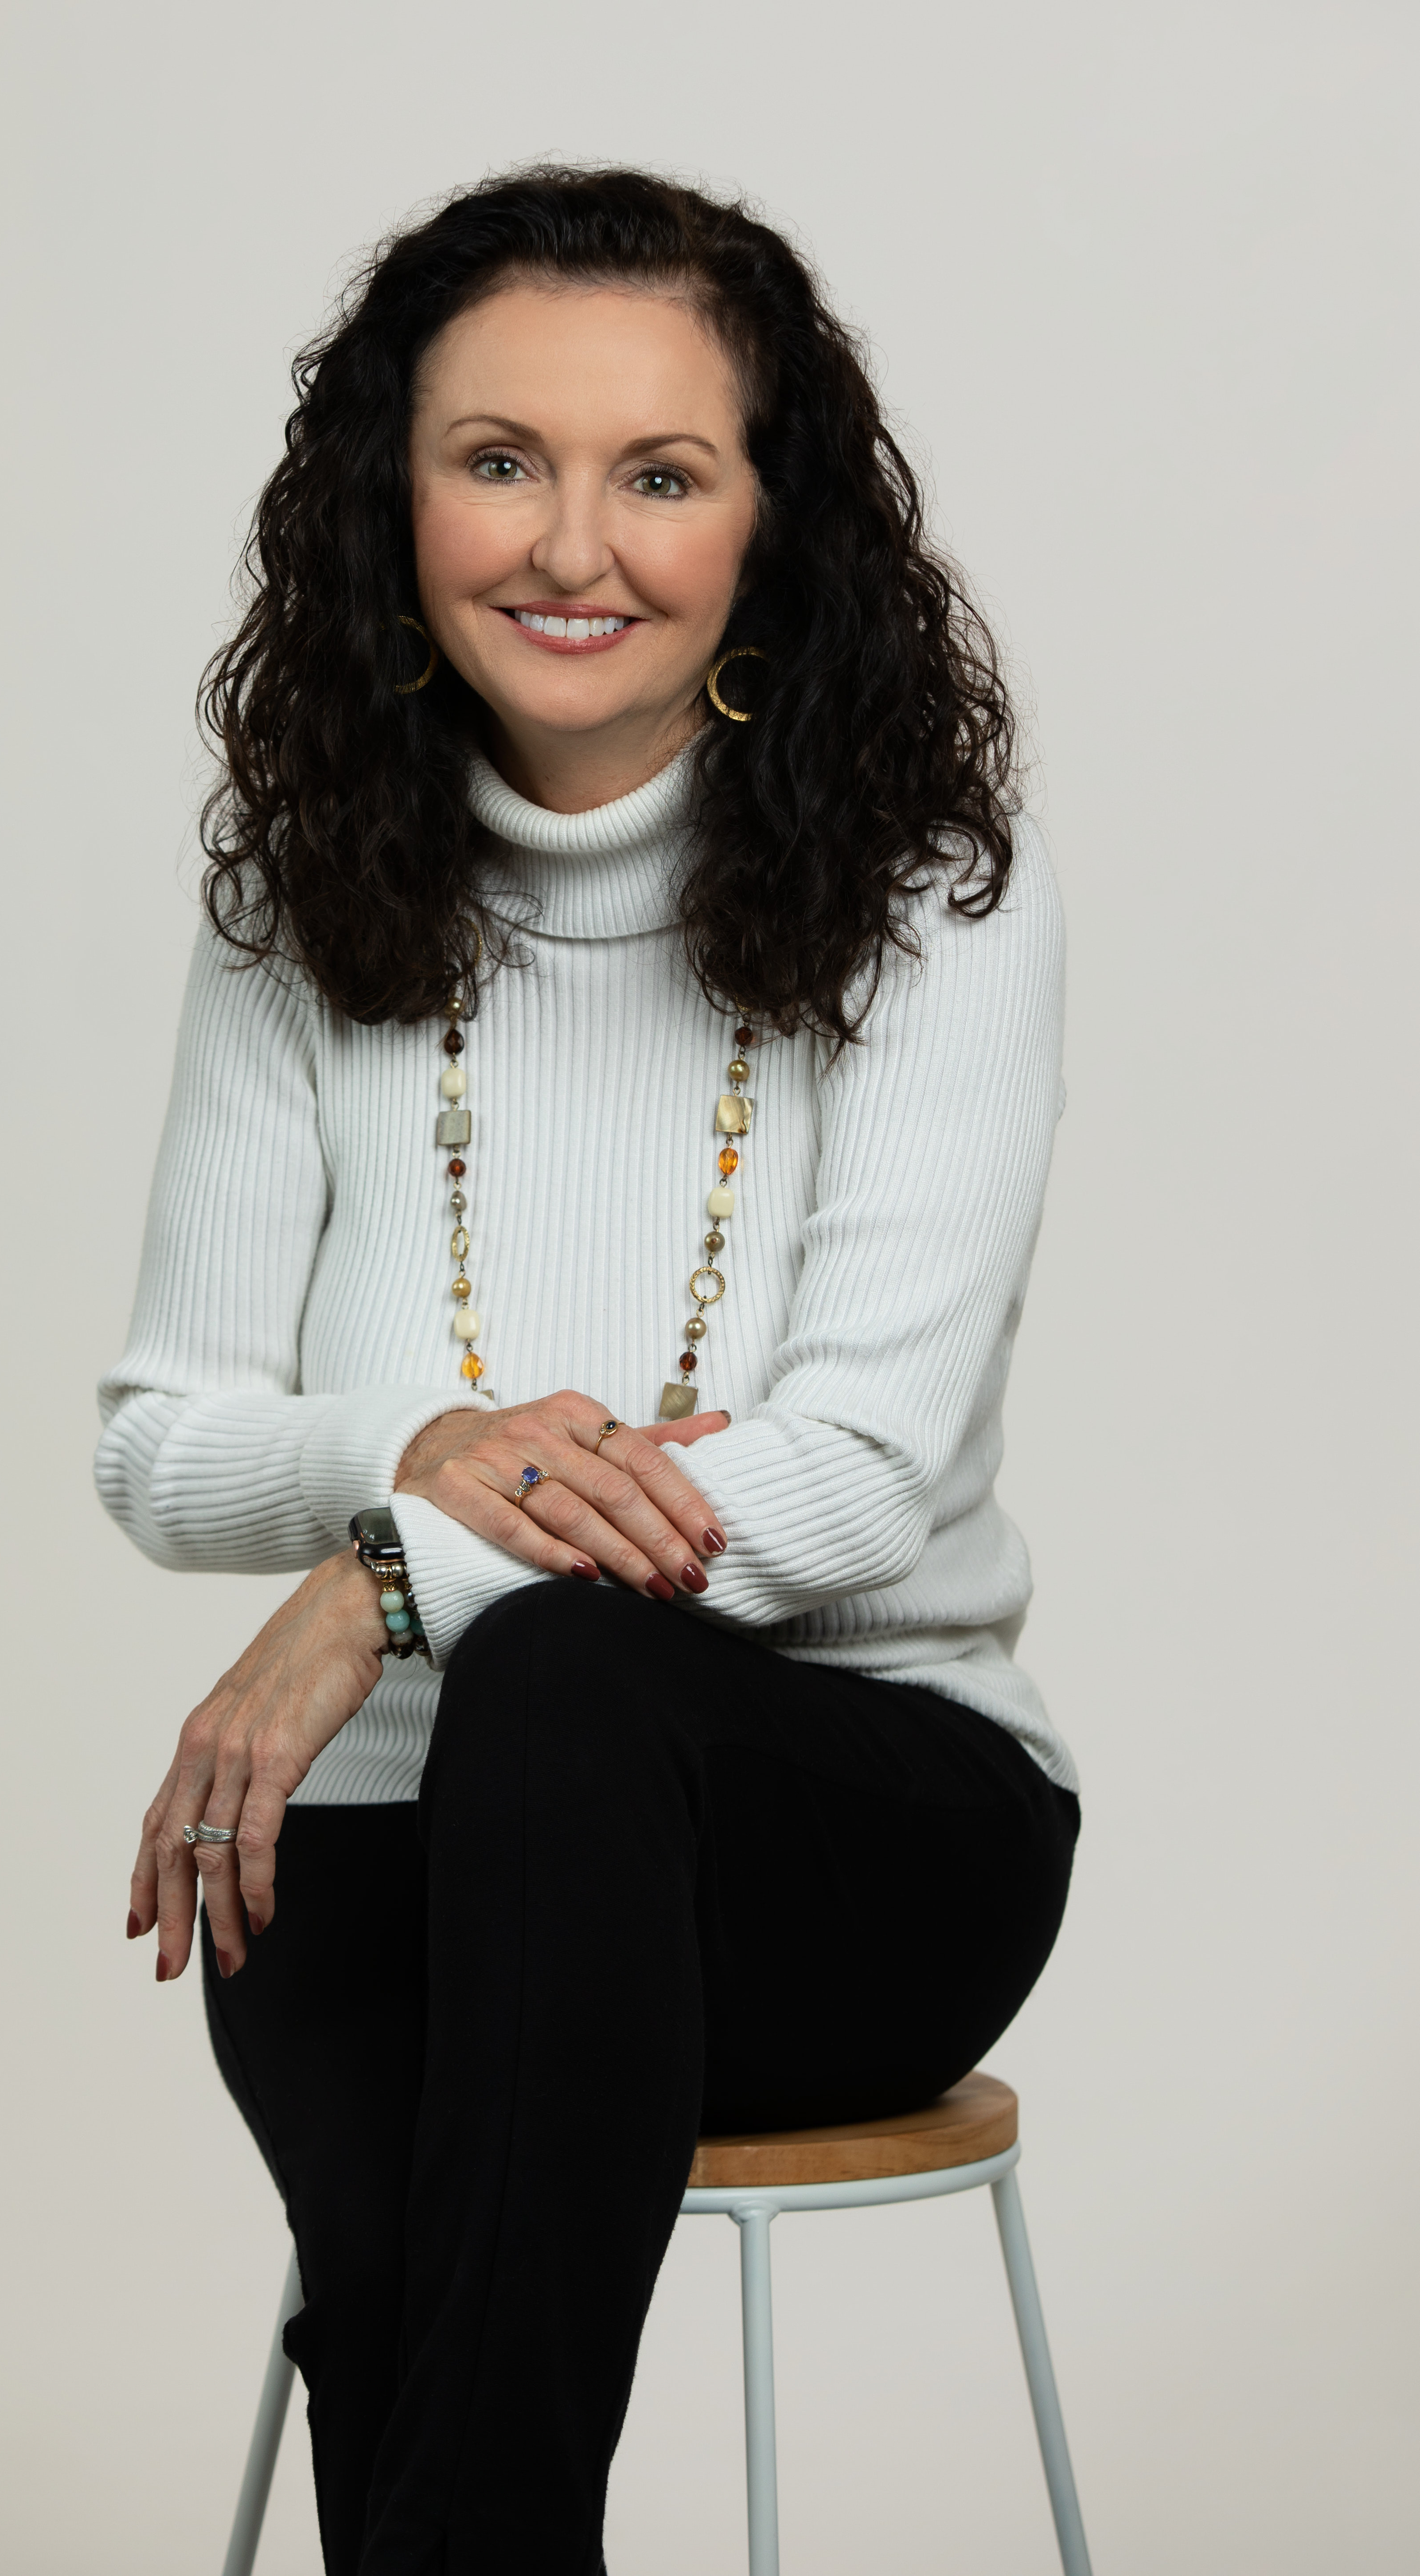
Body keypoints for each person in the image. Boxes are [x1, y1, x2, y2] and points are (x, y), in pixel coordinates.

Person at [97, 165, 1079, 2576]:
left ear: (773, 520)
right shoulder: (305, 899)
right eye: (497, 457)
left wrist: (380, 1582)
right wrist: (407, 1452)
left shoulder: (929, 888)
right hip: (396, 1856)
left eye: (662, 471)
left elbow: (856, 1474)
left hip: (845, 1833)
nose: (576, 542)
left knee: (553, 1684)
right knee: (406, 2197)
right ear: (389, 499)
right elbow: (160, 1438)